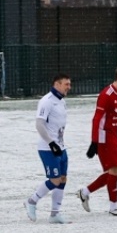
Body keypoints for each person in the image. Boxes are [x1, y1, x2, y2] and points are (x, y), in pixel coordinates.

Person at [24, 74, 77, 224]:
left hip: (61, 146)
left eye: (69, 84)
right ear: (57, 84)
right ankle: (32, 201)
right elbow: (39, 124)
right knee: (54, 180)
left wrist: (58, 143)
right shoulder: (46, 101)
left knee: (62, 179)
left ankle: (55, 214)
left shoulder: (62, 102)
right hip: (47, 148)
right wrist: (51, 143)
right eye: (66, 84)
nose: (69, 87)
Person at [84, 66, 117, 216]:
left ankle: (85, 192)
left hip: (113, 135)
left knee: (115, 172)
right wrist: (94, 142)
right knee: (115, 171)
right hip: (104, 136)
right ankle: (113, 207)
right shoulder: (106, 95)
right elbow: (96, 119)